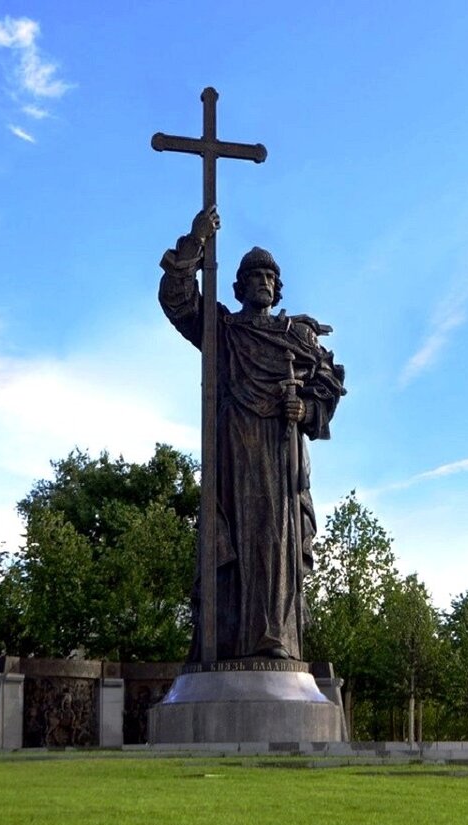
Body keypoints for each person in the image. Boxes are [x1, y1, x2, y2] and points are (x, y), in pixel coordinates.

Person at [159, 207, 345, 661]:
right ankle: (224, 643)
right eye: (254, 275)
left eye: (270, 276)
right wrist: (194, 243)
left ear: (277, 287)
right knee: (232, 551)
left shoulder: (294, 339)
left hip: (280, 455)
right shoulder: (223, 330)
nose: (263, 281)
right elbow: (179, 301)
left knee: (275, 547)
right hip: (233, 454)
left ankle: (274, 639)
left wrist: (306, 410)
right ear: (239, 287)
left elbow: (330, 386)